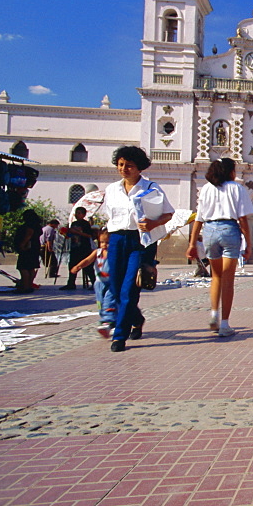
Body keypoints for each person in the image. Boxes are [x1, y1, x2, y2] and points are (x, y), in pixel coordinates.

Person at [100, 145, 175, 353]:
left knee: (129, 289)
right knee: (114, 288)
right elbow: (110, 218)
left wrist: (152, 224)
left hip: (140, 242)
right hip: (117, 240)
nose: (124, 169)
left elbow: (169, 213)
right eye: (121, 165)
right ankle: (137, 318)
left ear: (139, 168)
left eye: (129, 166)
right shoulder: (112, 189)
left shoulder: (151, 188)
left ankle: (119, 336)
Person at [186, 157, 253, 338]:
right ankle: (224, 324)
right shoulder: (237, 188)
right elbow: (243, 219)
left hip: (209, 231)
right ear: (230, 172)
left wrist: (193, 243)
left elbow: (198, 218)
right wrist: (249, 244)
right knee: (228, 279)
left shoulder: (206, 189)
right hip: (229, 230)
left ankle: (214, 313)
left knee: (216, 276)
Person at [71, 229, 115, 338]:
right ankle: (107, 321)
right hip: (99, 283)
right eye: (102, 242)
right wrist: (78, 266)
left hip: (112, 283)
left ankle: (108, 321)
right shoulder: (97, 252)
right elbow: (87, 260)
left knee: (109, 302)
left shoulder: (114, 253)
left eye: (108, 242)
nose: (105, 245)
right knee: (100, 303)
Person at [60, 207, 94, 290]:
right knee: (72, 265)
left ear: (83, 214)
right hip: (75, 247)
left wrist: (77, 232)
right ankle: (71, 283)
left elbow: (89, 235)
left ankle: (94, 282)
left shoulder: (85, 224)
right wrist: (67, 233)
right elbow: (71, 235)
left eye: (79, 213)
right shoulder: (73, 223)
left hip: (84, 247)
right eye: (76, 213)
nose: (77, 215)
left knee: (87, 266)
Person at [15, 209, 43, 294]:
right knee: (31, 267)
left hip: (28, 248)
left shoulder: (29, 226)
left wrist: (23, 244)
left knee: (23, 267)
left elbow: (28, 235)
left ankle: (25, 287)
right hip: (35, 248)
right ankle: (29, 285)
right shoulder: (37, 226)